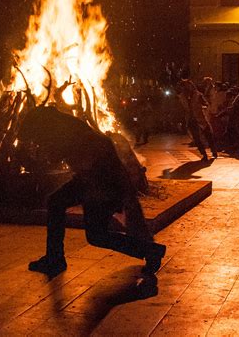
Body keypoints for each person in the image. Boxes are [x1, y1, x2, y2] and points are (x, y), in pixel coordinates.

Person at [18, 106, 166, 278]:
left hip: (102, 182)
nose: (36, 140)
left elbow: (55, 157)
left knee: (96, 235)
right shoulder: (63, 123)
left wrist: (37, 154)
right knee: (56, 202)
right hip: (92, 178)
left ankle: (151, 250)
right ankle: (55, 258)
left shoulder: (59, 130)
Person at [178, 79, 218, 160]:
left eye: (187, 85)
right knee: (197, 138)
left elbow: (206, 103)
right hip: (191, 120)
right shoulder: (182, 96)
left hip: (200, 118)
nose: (186, 88)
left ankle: (214, 151)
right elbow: (181, 109)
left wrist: (203, 107)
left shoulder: (198, 94)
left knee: (208, 135)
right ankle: (204, 154)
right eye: (184, 86)